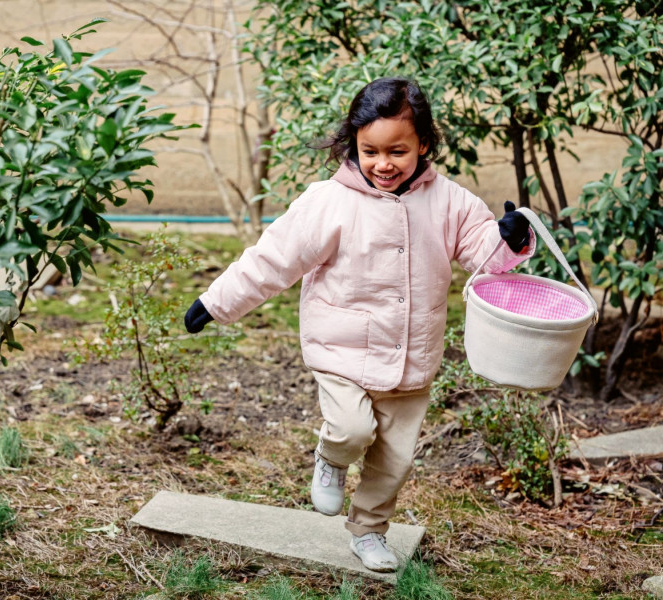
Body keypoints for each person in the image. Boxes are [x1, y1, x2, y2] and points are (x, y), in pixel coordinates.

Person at [183, 77, 533, 572]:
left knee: (394, 462)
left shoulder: (450, 201)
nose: (383, 164)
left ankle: (368, 532)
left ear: (424, 145)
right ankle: (330, 457)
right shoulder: (329, 201)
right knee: (350, 430)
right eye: (370, 151)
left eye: (398, 151)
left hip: (413, 359)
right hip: (341, 350)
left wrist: (510, 239)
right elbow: (273, 258)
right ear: (354, 146)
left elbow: (483, 252)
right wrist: (216, 302)